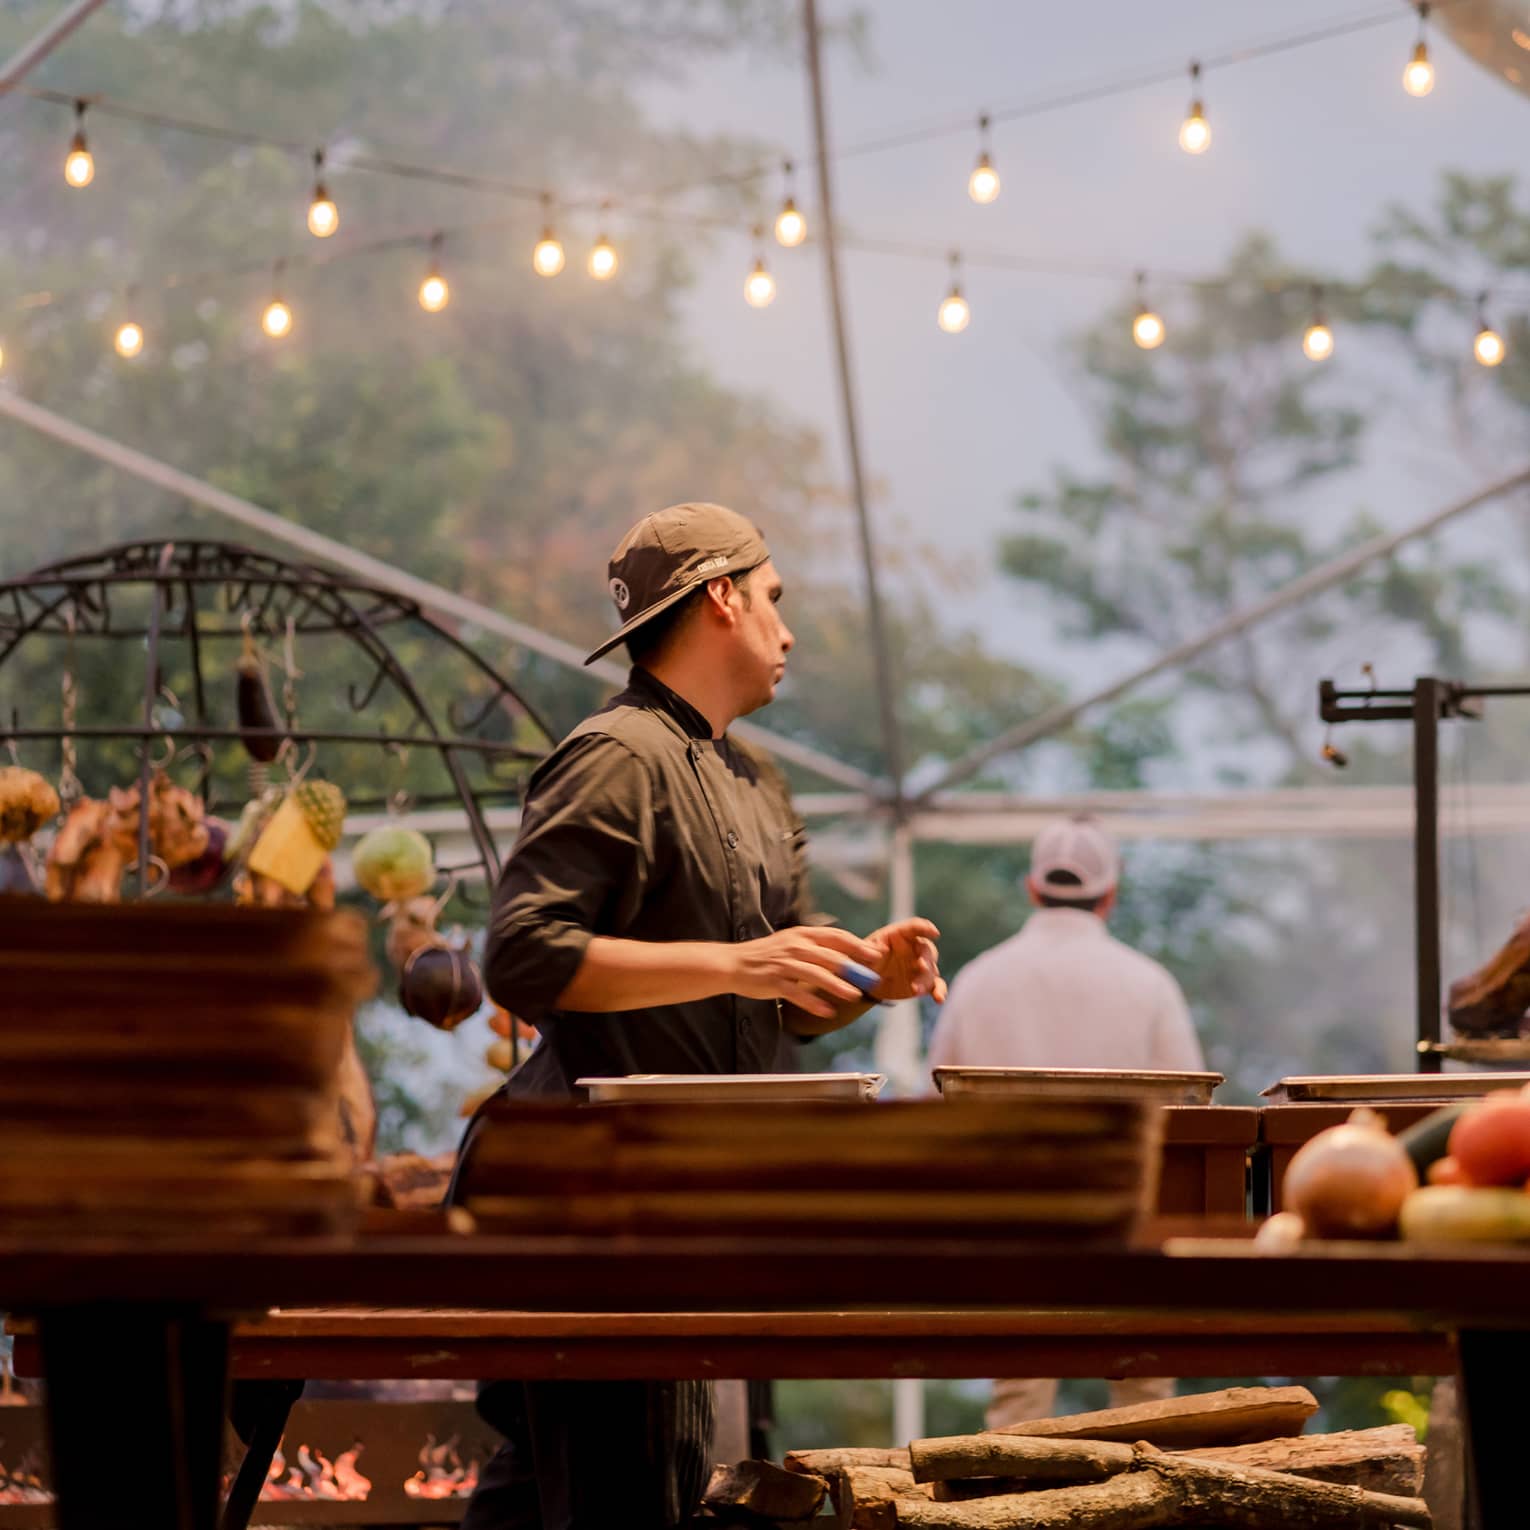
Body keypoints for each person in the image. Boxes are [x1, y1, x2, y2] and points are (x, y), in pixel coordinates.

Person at [455, 501, 944, 1530]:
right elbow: (522, 955)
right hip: (593, 1199)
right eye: (773, 599)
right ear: (721, 598)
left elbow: (788, 995)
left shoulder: (757, 780)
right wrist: (734, 962)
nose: (788, 627)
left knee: (612, 1494)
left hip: (700, 1200)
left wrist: (866, 978)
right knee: (612, 1492)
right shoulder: (617, 756)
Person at [925, 813, 1203, 1428]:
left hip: (1014, 1223)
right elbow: (1190, 1110)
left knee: (1018, 1402)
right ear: (1111, 893)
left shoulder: (978, 981)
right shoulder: (1149, 984)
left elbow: (937, 1099)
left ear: (1031, 887)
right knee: (1145, 1394)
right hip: (1128, 1222)